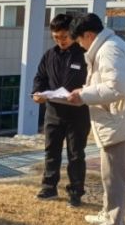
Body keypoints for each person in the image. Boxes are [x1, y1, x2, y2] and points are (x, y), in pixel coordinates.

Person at [67, 13, 125, 225]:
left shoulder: (108, 50)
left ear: (88, 35)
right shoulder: (112, 45)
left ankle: (114, 224)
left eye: (80, 40)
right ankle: (108, 214)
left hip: (119, 122)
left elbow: (118, 87)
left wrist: (83, 95)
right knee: (113, 173)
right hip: (122, 119)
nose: (80, 45)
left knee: (114, 176)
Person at [32, 14, 90, 207]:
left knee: (76, 154)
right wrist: (37, 93)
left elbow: (93, 82)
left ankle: (75, 192)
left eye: (64, 37)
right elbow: (40, 78)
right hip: (53, 112)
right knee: (51, 151)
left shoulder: (84, 54)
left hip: (78, 113)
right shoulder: (50, 55)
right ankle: (49, 187)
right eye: (56, 37)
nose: (60, 41)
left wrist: (82, 92)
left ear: (72, 33)